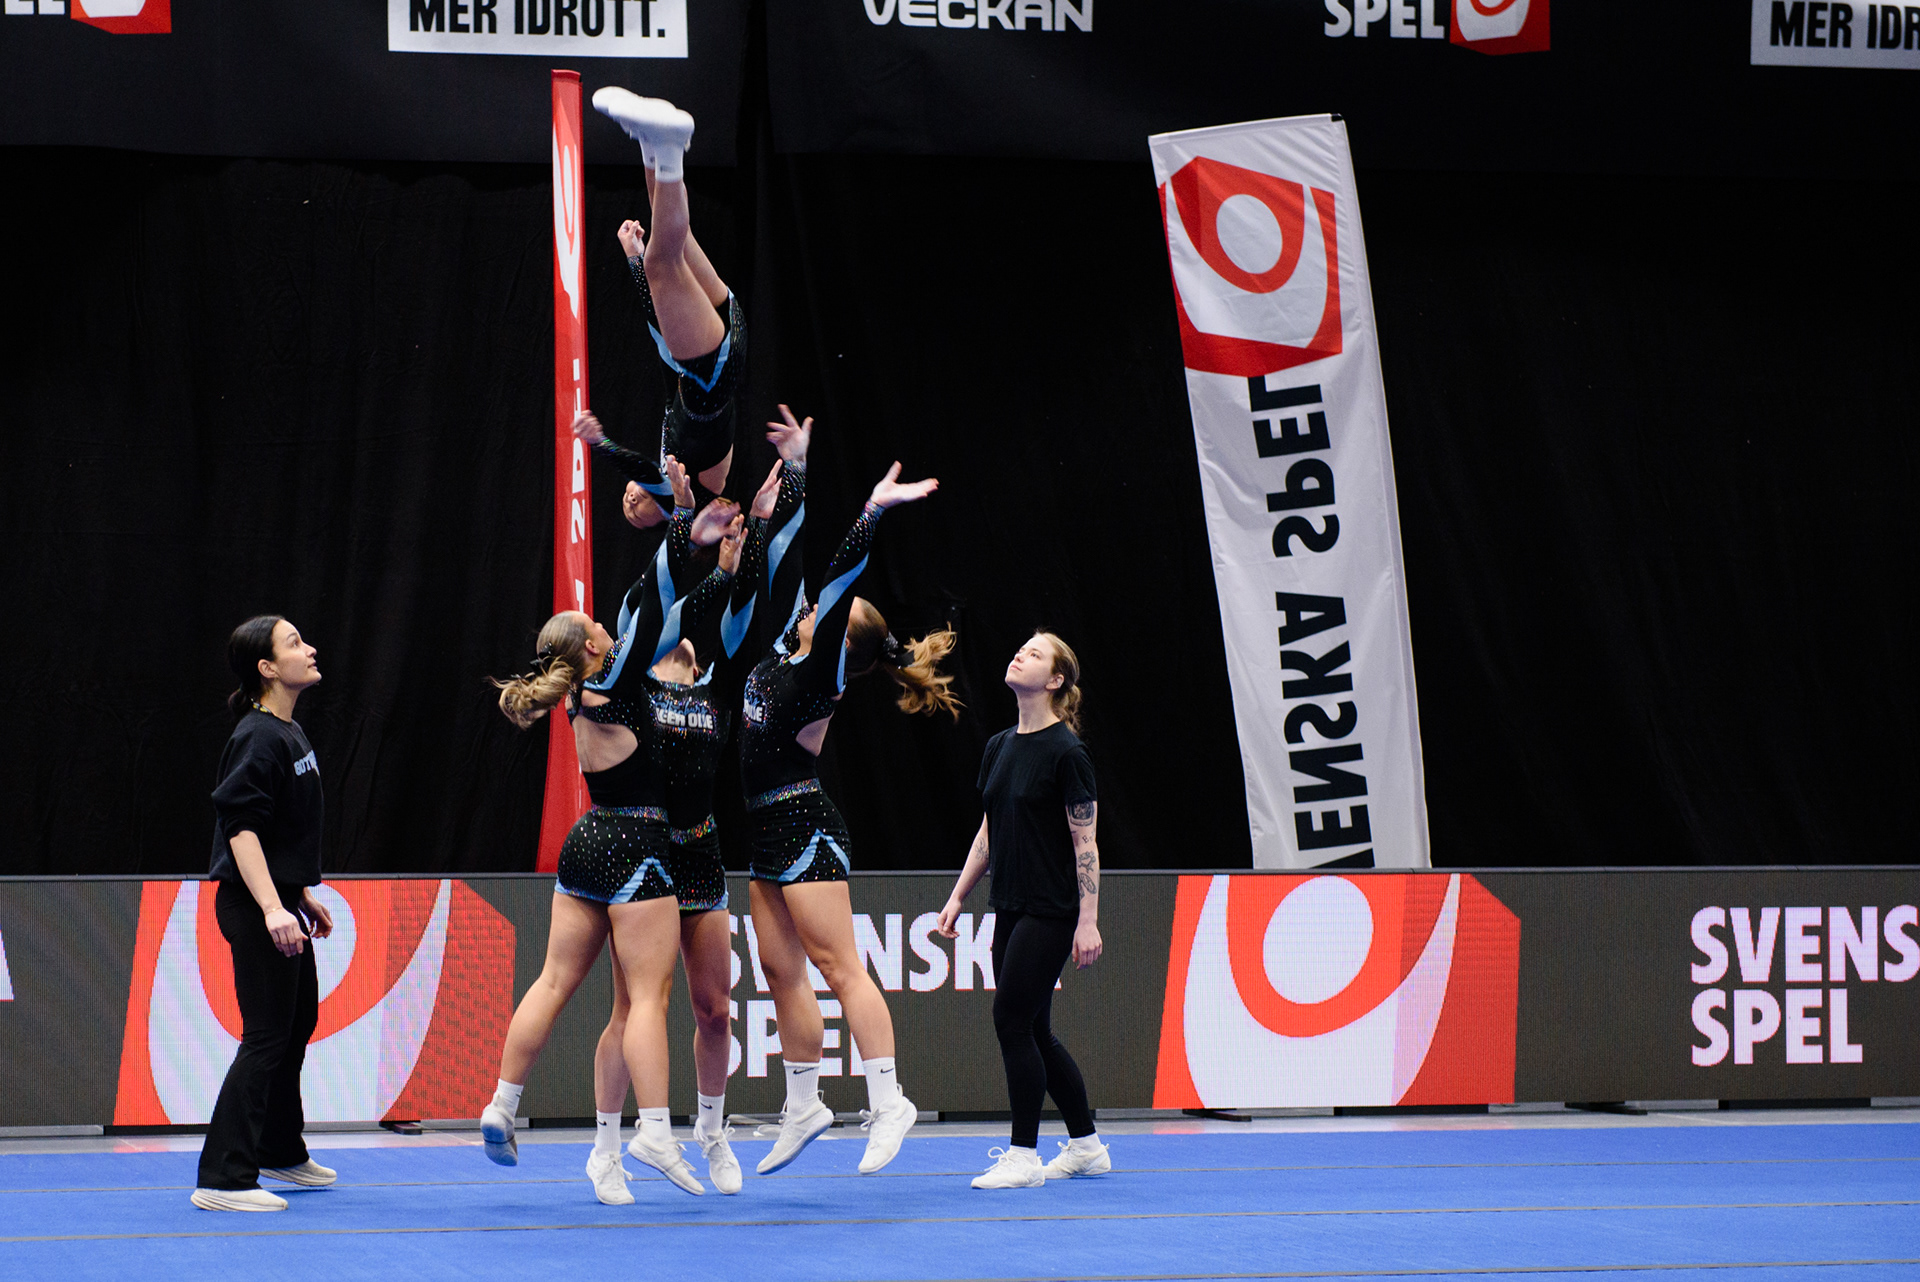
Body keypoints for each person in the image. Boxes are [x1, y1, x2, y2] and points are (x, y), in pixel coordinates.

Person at [484, 451, 737, 1203]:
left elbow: (656, 604)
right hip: (637, 845)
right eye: (598, 625)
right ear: (594, 646)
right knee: (647, 1000)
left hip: (587, 841)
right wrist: (682, 519)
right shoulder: (620, 677)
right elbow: (654, 595)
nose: (607, 624)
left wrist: (707, 553)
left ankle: (501, 1103)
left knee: (555, 980)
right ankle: (654, 1129)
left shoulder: (577, 691)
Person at [731, 407, 962, 1177]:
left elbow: (834, 578)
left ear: (838, 637)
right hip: (765, 831)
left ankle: (889, 1100)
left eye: (828, 616)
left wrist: (871, 511)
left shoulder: (817, 672)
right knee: (779, 970)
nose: (812, 609)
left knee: (837, 967)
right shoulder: (782, 646)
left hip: (804, 825)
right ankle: (804, 1103)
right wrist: (794, 472)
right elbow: (787, 557)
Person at [575, 413, 752, 1197]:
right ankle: (607, 1148)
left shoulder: (714, 677)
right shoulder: (635, 672)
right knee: (633, 1007)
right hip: (644, 852)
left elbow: (722, 587)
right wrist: (621, 459)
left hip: (700, 848)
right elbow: (667, 585)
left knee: (715, 1008)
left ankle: (712, 1132)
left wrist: (732, 551)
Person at [936, 631, 1110, 1189]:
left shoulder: (1068, 753)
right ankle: (1087, 1146)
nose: (1019, 654)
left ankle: (1023, 1155)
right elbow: (988, 832)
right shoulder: (998, 746)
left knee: (1011, 1019)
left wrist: (1087, 920)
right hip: (1008, 905)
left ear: (1055, 680)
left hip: (1052, 909)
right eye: (1020, 648)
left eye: (1034, 654)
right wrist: (959, 895)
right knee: (1034, 1028)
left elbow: (1086, 843)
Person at [192, 616, 339, 1213]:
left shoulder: (288, 731)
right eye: (295, 643)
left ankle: (279, 1149)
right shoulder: (257, 736)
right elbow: (242, 829)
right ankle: (222, 1179)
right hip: (254, 905)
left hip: (280, 900)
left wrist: (299, 895)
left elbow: (279, 831)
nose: (310, 649)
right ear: (268, 668)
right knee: (266, 1037)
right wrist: (274, 906)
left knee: (296, 1026)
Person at [590, 88, 744, 526]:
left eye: (624, 504)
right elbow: (645, 474)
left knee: (672, 238)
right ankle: (671, 145)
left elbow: (662, 345)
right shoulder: (685, 494)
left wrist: (634, 263)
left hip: (711, 358)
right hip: (710, 376)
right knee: (664, 258)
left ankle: (650, 143)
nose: (629, 502)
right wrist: (600, 444)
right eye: (637, 513)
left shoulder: (668, 456)